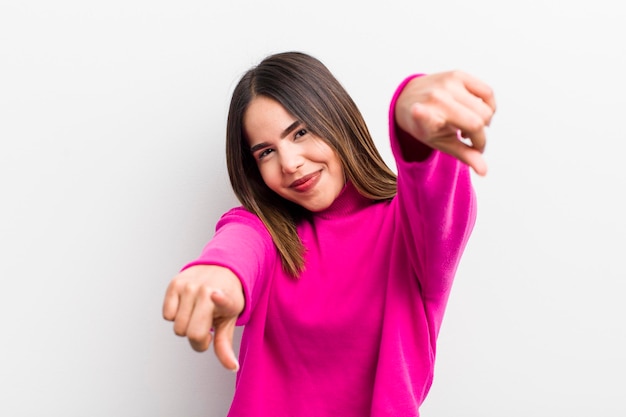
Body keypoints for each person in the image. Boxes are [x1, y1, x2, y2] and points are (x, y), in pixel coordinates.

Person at [163, 51, 496, 417]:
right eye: (266, 152)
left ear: (337, 119)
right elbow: (239, 243)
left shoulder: (409, 230)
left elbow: (436, 196)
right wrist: (220, 272)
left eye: (300, 132)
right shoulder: (268, 233)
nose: (289, 163)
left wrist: (410, 118)